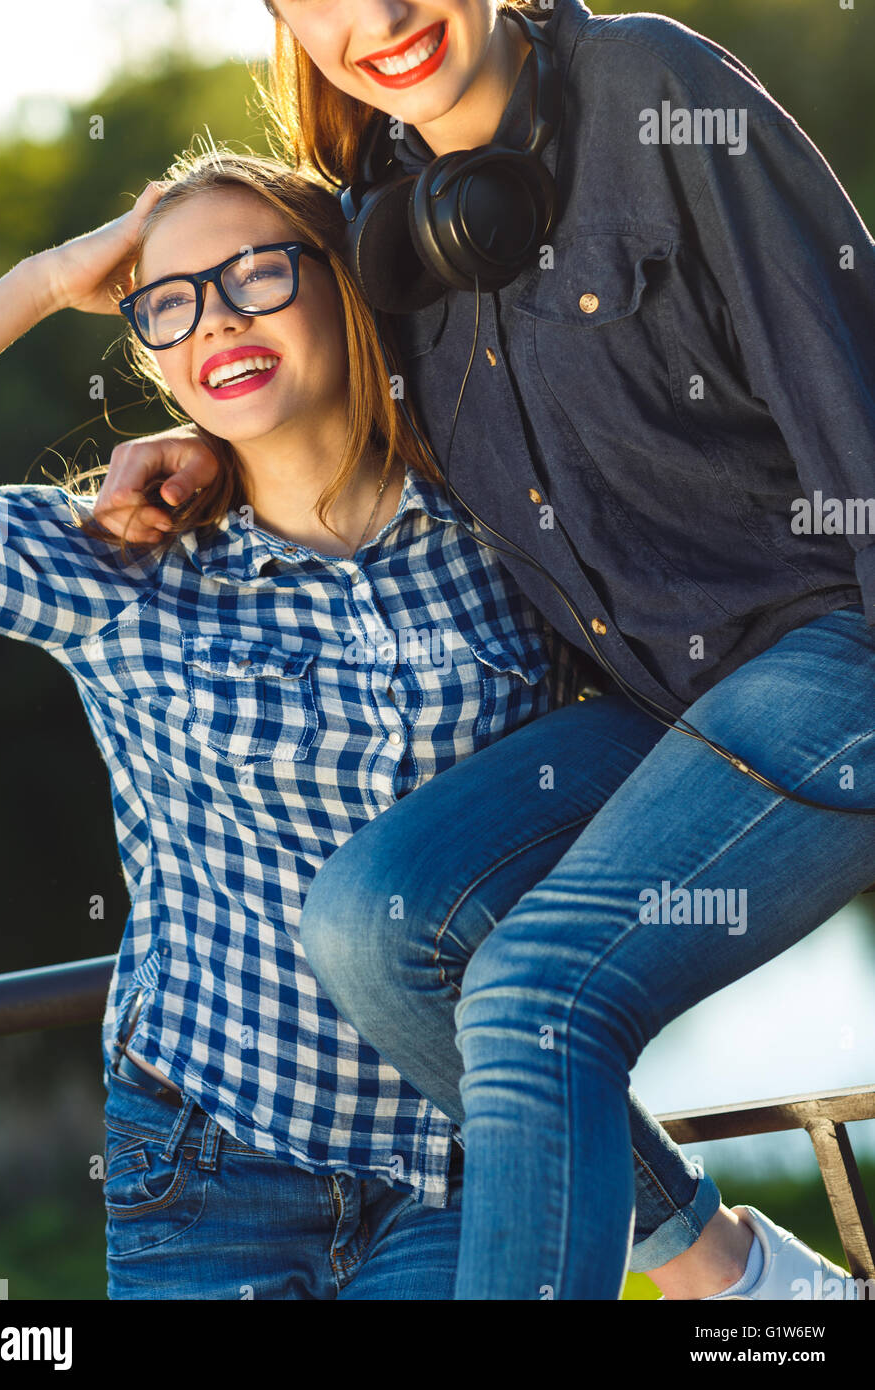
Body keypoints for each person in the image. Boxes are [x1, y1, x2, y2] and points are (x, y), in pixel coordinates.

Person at [88, 2, 875, 1299]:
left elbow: (847, 385)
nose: (383, 17)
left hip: (832, 659)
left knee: (533, 991)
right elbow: (283, 380)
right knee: (367, 925)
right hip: (651, 697)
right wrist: (207, 463)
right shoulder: (386, 230)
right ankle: (738, 1275)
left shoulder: (652, 84)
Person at [0, 143, 736, 1300]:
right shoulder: (116, 564)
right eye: (170, 302)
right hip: (209, 1172)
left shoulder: (501, 518)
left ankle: (740, 1273)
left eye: (256, 274)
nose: (214, 320)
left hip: (467, 1165)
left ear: (344, 276)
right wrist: (53, 278)